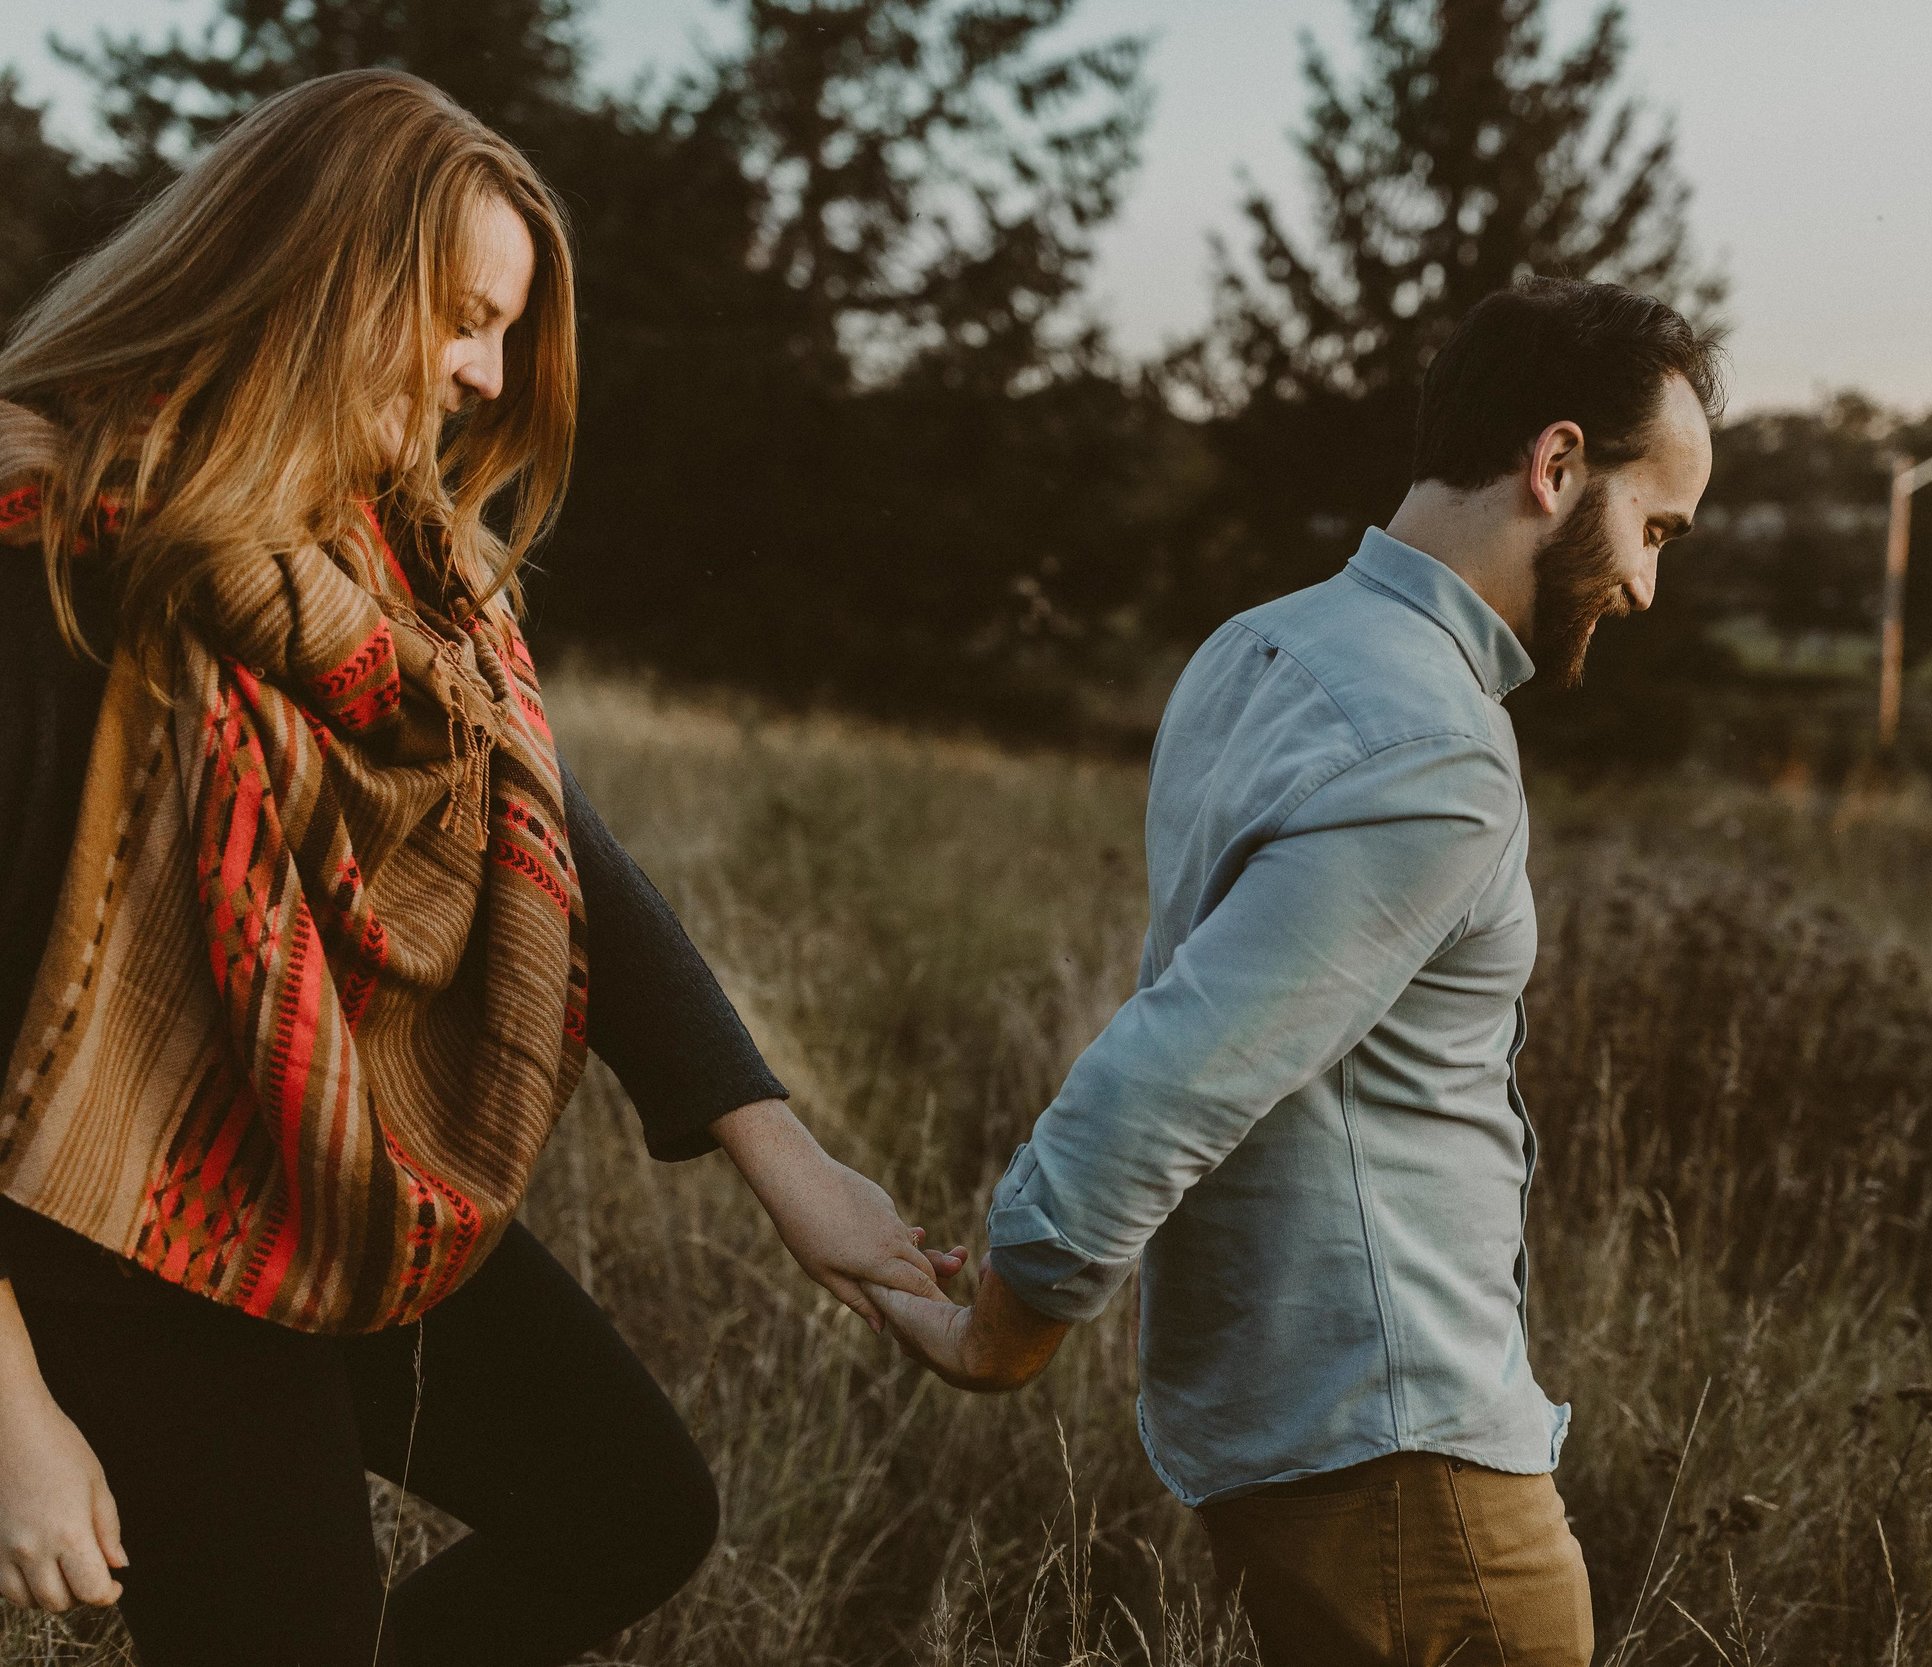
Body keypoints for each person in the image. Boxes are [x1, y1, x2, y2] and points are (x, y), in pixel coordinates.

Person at [0, 69, 957, 1664]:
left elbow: (544, 830)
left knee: (629, 1508)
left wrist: (797, 1178)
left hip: (332, 1166)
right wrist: (14, 1409)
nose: (483, 375)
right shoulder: (54, 550)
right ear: (318, 271)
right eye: (460, 316)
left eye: (505, 331)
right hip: (119, 1235)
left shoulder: (381, 566)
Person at [873, 276, 1722, 1665]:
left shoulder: (1254, 650)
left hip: (1305, 1439)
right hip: (1410, 1464)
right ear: (1557, 465)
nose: (1644, 584)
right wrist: (1004, 1328)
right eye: (1654, 526)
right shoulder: (1435, 745)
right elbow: (1176, 1067)